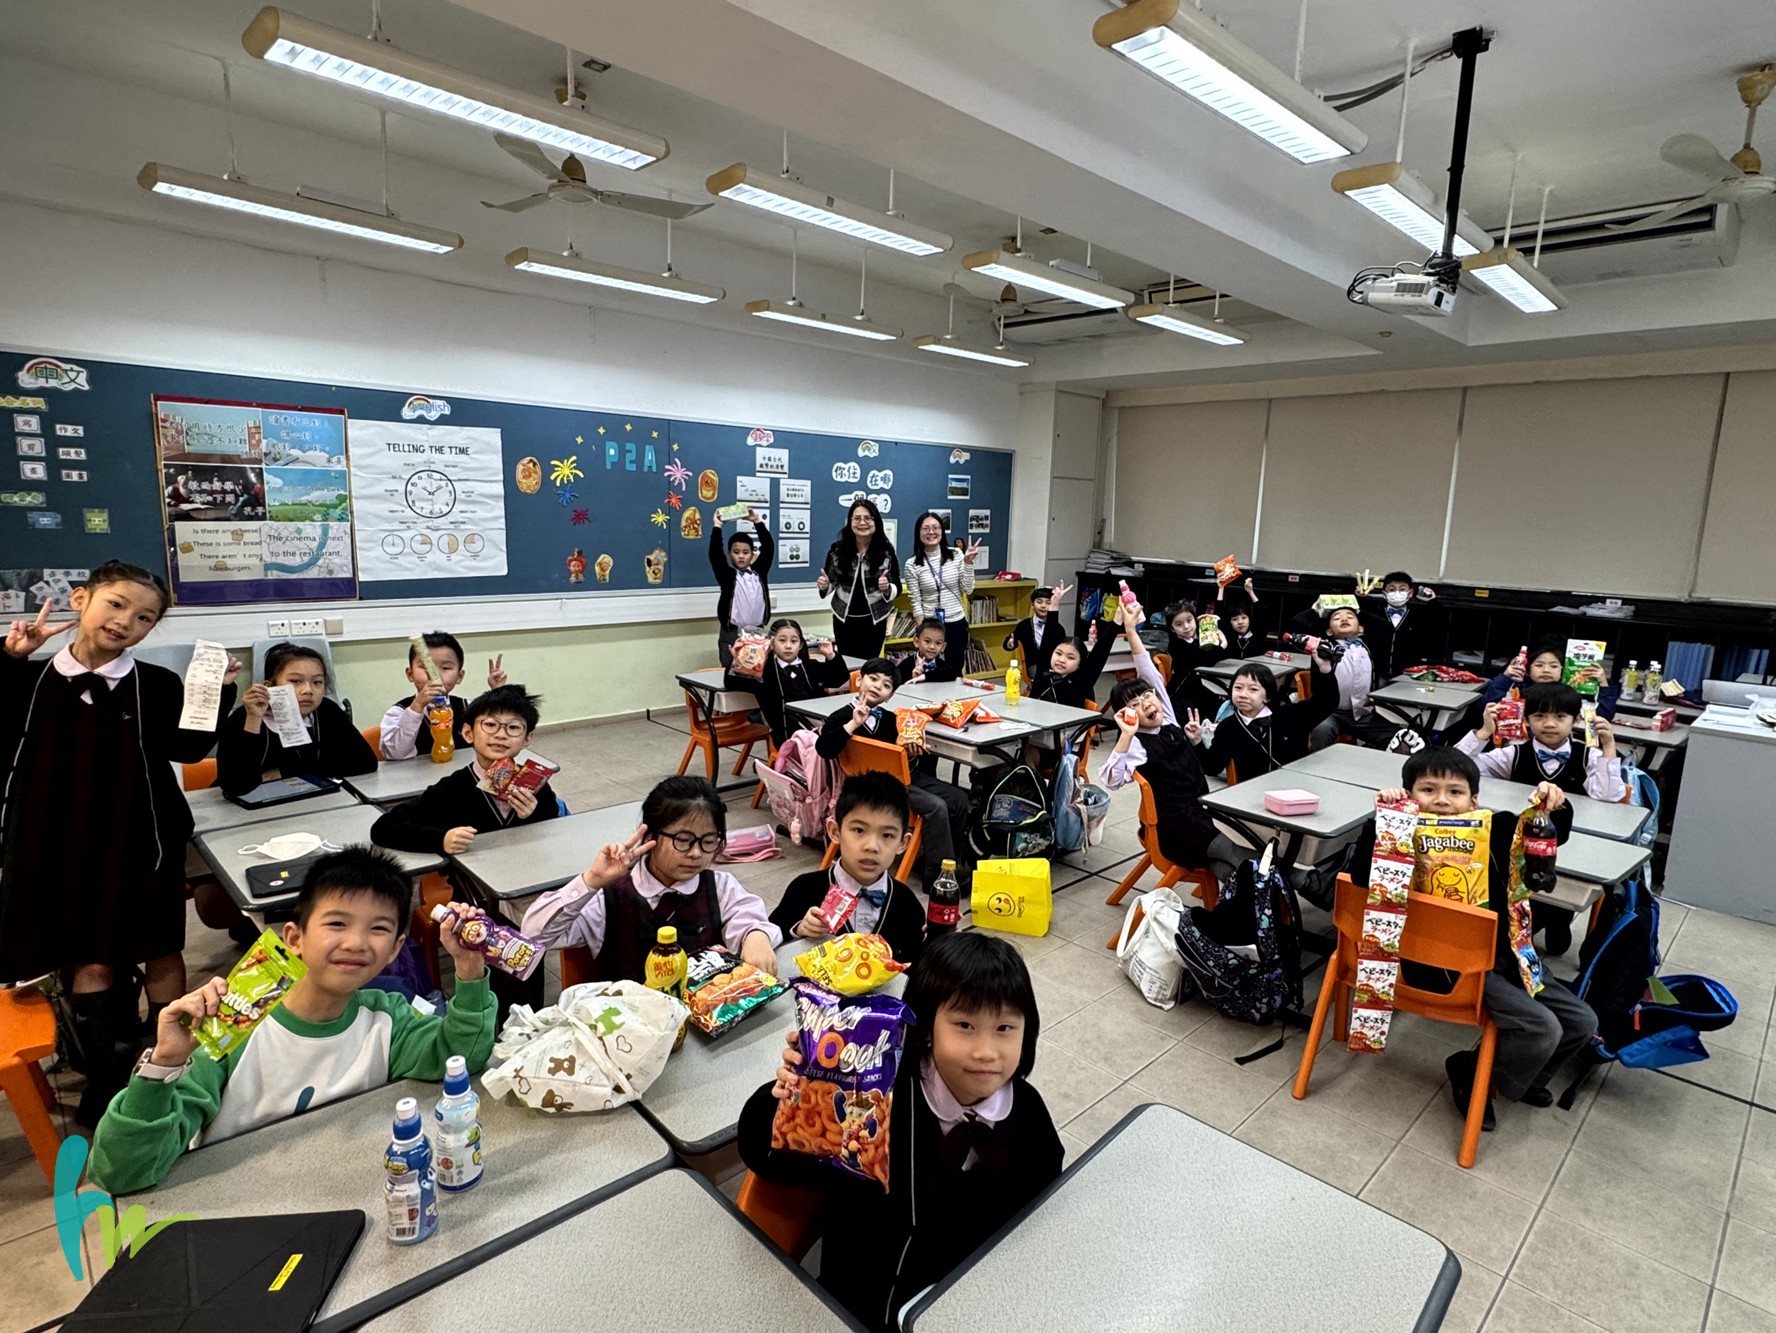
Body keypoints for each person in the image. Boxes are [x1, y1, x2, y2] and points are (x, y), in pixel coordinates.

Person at [86, 846, 497, 1193]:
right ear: (294, 938)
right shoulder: (230, 1026)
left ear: (394, 949)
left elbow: (460, 1057)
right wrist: (164, 1064)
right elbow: (120, 1173)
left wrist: (468, 968)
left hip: (353, 1193)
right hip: (240, 1207)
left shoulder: (388, 1018)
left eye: (378, 929)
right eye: (337, 923)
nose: (355, 942)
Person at [0, 567, 241, 1124]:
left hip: (143, 842)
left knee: (161, 947)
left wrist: (218, 691)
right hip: (60, 848)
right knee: (92, 957)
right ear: (80, 599)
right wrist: (10, 659)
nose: (125, 621)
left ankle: (168, 1057)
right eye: (115, 604)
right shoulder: (32, 677)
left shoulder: (156, 683)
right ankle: (108, 1073)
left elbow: (188, 746)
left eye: (143, 617)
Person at [737, 931, 1062, 1333]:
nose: (986, 1051)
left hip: (968, 1307)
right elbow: (767, 1157)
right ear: (925, 1027)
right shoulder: (874, 1098)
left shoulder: (1028, 1113)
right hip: (858, 1305)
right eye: (964, 1025)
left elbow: (1040, 1219)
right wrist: (790, 1096)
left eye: (1005, 1028)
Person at [1370, 748, 1595, 1132]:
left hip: (1510, 955)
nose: (1442, 800)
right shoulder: (1400, 833)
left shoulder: (1496, 829)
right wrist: (1387, 820)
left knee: (1583, 1022)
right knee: (1543, 1028)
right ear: (1409, 795)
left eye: (1455, 792)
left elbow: (1545, 831)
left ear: (1474, 801)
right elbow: (1364, 877)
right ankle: (1473, 1074)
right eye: (1428, 790)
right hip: (1448, 966)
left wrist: (1555, 803)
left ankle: (1521, 1076)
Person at [523, 776, 780, 980]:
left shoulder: (720, 887)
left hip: (704, 1020)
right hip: (628, 1023)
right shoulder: (609, 895)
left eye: (709, 841)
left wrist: (755, 935)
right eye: (683, 840)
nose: (696, 853)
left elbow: (747, 917)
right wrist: (590, 881)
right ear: (649, 837)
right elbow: (532, 937)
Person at [1455, 681, 1627, 955]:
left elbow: (1608, 797)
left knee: (1558, 924)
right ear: (1526, 720)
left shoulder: (1589, 756)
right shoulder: (1513, 753)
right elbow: (1456, 768)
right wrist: (1484, 732)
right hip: (1523, 845)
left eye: (1560, 716)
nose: (1549, 724)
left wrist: (1608, 746)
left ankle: (1558, 916)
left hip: (1572, 846)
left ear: (1576, 720)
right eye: (1539, 716)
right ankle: (1527, 917)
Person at [1101, 601, 1242, 884]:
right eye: (1134, 705)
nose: (1146, 704)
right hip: (1174, 826)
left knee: (1230, 870)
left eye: (1147, 697)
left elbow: (1147, 670)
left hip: (1200, 812)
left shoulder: (1167, 719)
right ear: (1127, 714)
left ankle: (1250, 904)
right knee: (1239, 853)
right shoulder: (1137, 744)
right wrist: (1125, 735)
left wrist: (1132, 630)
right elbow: (1111, 780)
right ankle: (1302, 881)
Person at [817, 657, 972, 893]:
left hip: (903, 777)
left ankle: (949, 863)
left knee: (958, 798)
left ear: (890, 696)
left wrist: (911, 752)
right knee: (936, 806)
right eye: (873, 679)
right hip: (871, 786)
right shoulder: (840, 716)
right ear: (859, 680)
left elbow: (901, 758)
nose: (878, 686)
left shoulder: (891, 720)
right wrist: (852, 725)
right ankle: (935, 877)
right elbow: (824, 749)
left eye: (886, 685)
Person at [371, 686, 560, 856]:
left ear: (527, 739)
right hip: (472, 878)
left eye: (513, 727)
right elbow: (384, 827)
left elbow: (554, 824)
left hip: (526, 867)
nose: (501, 734)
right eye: (490, 725)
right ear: (468, 733)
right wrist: (441, 839)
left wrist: (532, 814)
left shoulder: (533, 784)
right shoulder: (452, 789)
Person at [769, 772, 925, 965]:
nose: (872, 846)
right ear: (835, 831)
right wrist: (799, 930)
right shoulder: (805, 890)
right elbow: (769, 940)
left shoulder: (907, 905)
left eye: (887, 835)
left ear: (903, 843)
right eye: (859, 830)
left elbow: (915, 967)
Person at [217, 642, 377, 798]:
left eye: (317, 682)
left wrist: (287, 771)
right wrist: (253, 719)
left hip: (310, 801)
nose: (308, 690)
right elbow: (236, 785)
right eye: (295, 681)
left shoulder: (327, 711)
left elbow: (365, 762)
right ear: (270, 686)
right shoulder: (243, 718)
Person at [1196, 658, 1336, 780]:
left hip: (1296, 786)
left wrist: (1325, 670)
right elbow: (1212, 767)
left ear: (1268, 696)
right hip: (1253, 792)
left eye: (1253, 689)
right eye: (1238, 688)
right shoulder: (1228, 727)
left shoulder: (1290, 715)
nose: (1243, 694)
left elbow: (1327, 702)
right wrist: (1197, 742)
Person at [379, 631, 508, 761]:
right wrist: (416, 707)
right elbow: (394, 754)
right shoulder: (398, 712)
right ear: (410, 674)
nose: (435, 675)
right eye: (425, 667)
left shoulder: (468, 708)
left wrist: (497, 692)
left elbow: (498, 736)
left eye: (445, 668)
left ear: (459, 676)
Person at [730, 618, 849, 749]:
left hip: (818, 731)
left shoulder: (810, 666)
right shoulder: (764, 671)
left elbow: (839, 679)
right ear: (772, 644)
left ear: (801, 645)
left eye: (794, 641)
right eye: (782, 640)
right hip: (786, 737)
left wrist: (831, 655)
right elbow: (733, 682)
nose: (788, 646)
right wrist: (738, 661)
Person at [817, 499, 900, 659]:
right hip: (843, 619)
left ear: (876, 521)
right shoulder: (838, 550)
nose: (862, 523)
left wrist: (887, 588)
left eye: (868, 518)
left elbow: (896, 585)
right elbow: (831, 581)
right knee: (847, 664)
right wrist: (825, 586)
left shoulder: (886, 551)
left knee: (869, 665)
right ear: (850, 522)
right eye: (857, 518)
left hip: (875, 620)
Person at [902, 512, 982, 674]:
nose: (931, 532)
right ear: (918, 533)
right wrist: (923, 630)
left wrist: (968, 563)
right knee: (928, 669)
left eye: (936, 528)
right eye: (926, 528)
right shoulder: (912, 564)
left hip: (955, 622)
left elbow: (968, 589)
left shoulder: (956, 554)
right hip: (930, 624)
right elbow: (915, 601)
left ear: (942, 531)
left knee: (954, 670)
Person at [1308, 606, 1381, 750]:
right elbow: (1298, 622)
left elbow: (1385, 626)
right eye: (1337, 618)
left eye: (1350, 617)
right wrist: (1315, 609)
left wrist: (1359, 608)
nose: (1344, 619)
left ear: (1361, 629)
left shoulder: (1370, 648)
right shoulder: (1324, 650)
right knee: (1321, 731)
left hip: (1364, 714)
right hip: (1330, 713)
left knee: (1401, 738)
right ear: (1329, 631)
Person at [710, 509, 775, 667]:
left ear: (752, 554)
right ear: (729, 554)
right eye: (736, 552)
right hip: (732, 634)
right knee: (731, 670)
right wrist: (717, 526)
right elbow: (715, 554)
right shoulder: (727, 575)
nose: (741, 556)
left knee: (757, 671)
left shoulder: (759, 572)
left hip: (757, 633)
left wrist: (757, 521)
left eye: (746, 552)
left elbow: (769, 547)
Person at [1361, 570, 1445, 684]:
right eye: (1391, 590)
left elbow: (1438, 624)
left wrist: (1433, 602)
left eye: (1402, 589)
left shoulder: (1417, 616)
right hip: (1378, 674)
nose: (1397, 593)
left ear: (1410, 593)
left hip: (1408, 675)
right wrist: (1360, 597)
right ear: (1384, 594)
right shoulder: (1376, 615)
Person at [1027, 608, 1120, 710]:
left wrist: (1117, 622)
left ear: (1080, 664)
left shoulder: (1080, 683)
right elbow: (1049, 637)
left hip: (1066, 720)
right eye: (1058, 653)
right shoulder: (1043, 672)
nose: (1061, 660)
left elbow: (1099, 653)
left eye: (1070, 657)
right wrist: (1053, 607)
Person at [1161, 599, 1226, 718]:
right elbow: (1203, 660)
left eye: (1189, 620)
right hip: (1183, 692)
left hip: (1204, 689)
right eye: (1179, 624)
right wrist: (1222, 646)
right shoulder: (1176, 644)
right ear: (1172, 628)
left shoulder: (1203, 636)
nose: (1186, 627)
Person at [1003, 582, 1070, 678]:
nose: (1043, 606)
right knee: (1047, 677)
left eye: (1048, 603)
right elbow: (1009, 645)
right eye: (1039, 602)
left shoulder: (1058, 628)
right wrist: (1010, 644)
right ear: (1032, 604)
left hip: (1054, 664)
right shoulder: (1024, 626)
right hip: (1034, 665)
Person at [895, 618, 961, 686]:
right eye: (927, 641)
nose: (932, 647)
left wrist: (924, 677)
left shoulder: (942, 665)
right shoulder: (905, 665)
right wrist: (912, 677)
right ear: (916, 642)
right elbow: (896, 684)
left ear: (943, 647)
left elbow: (952, 673)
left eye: (938, 643)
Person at [1222, 577, 1265, 657]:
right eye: (1235, 619)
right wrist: (1221, 588)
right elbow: (1219, 616)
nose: (1240, 622)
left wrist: (1250, 591)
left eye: (1244, 618)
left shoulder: (1258, 635)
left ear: (1249, 619)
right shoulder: (1229, 637)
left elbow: (1261, 613)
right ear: (1230, 622)